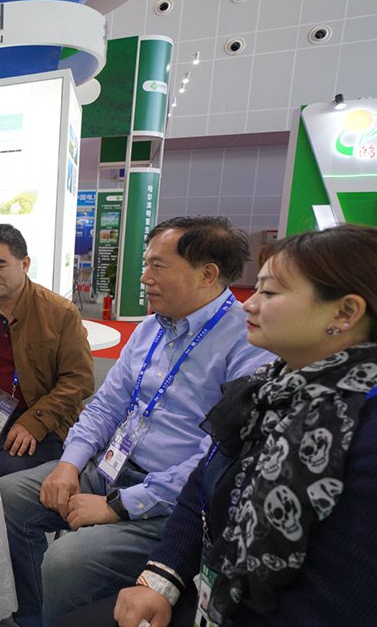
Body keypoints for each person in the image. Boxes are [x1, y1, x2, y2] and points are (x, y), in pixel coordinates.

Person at [56, 223, 377, 627]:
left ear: (345, 313)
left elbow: (343, 598)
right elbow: (203, 486)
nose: (249, 303)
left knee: (69, 570)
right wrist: (163, 577)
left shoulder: (358, 430)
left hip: (256, 606)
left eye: (269, 293)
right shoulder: (268, 387)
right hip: (210, 570)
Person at [0, 216, 274, 627]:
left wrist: (119, 506)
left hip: (174, 499)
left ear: (207, 274)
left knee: (67, 560)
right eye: (146, 264)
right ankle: (36, 617)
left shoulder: (248, 344)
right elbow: (106, 406)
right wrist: (69, 464)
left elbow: (214, 461)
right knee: (8, 497)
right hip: (112, 467)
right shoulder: (150, 328)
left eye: (158, 266)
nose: (144, 278)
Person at [0, 223, 94, 477]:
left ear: (25, 264)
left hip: (39, 411)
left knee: (9, 474)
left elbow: (79, 380)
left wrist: (37, 421)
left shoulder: (60, 313)